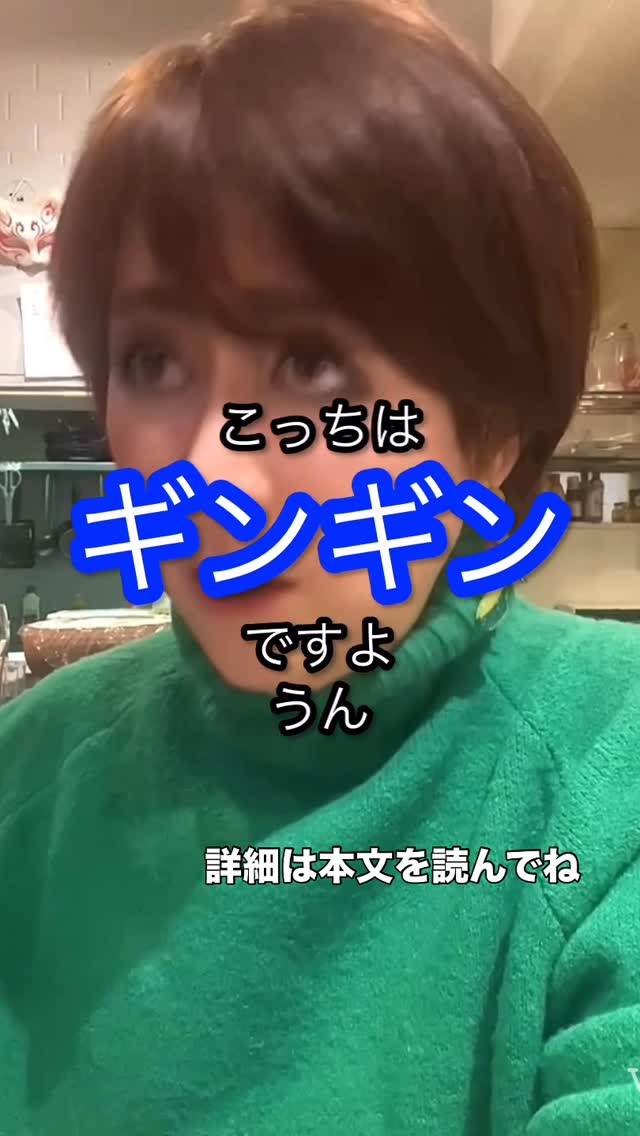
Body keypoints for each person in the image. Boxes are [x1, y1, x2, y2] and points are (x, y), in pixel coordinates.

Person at [1, 1, 639, 1132]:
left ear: (492, 432)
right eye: (151, 359)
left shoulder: (605, 776)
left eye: (312, 363)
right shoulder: (34, 773)